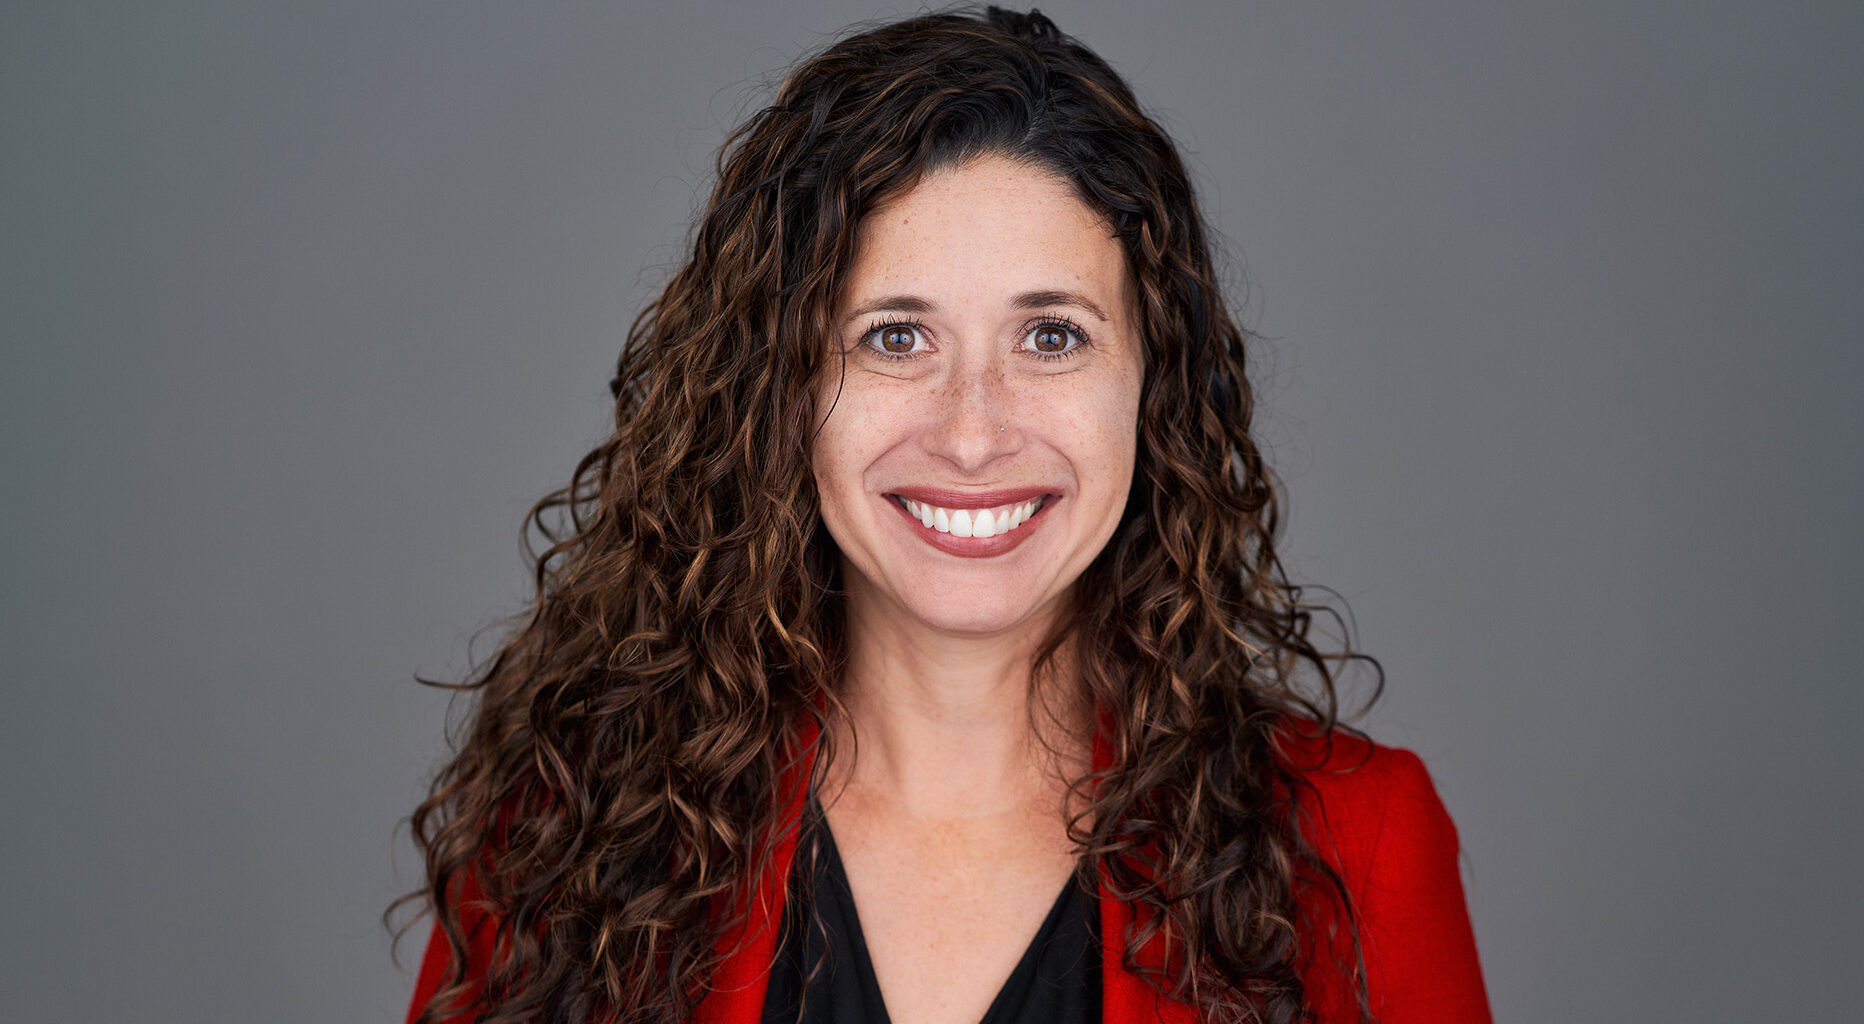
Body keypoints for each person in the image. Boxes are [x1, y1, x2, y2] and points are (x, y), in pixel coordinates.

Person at [397, 7, 1491, 1023]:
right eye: (895, 337)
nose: (972, 434)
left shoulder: (1357, 848)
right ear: (776, 391)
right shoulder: (570, 835)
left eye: (1051, 335)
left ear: (1152, 385)